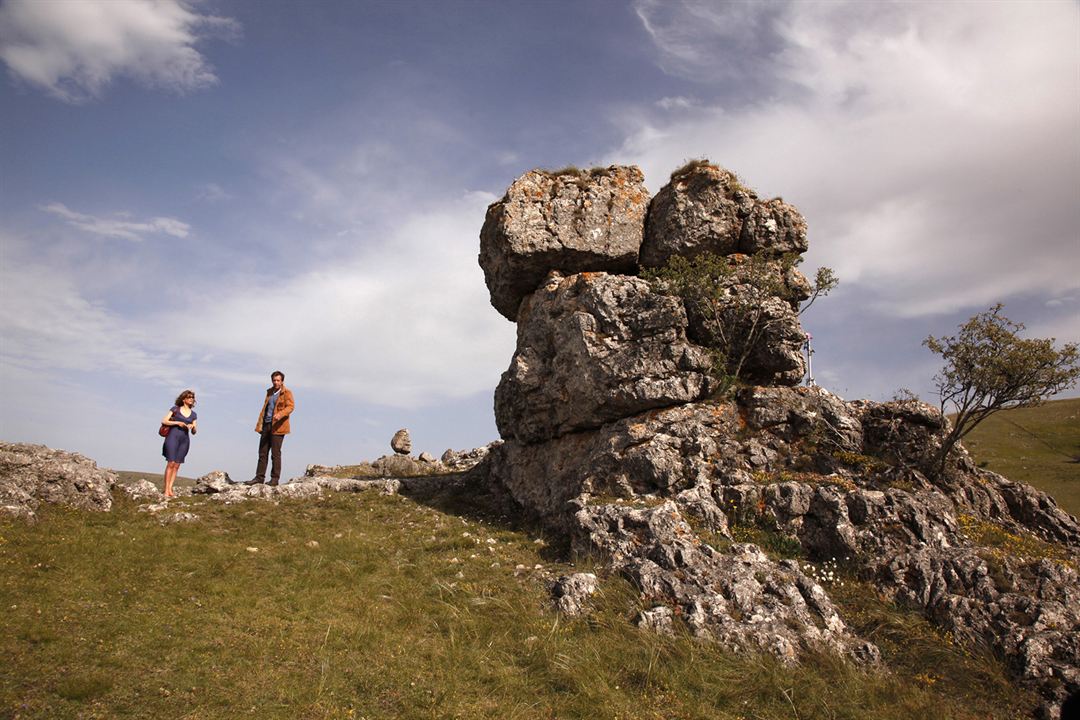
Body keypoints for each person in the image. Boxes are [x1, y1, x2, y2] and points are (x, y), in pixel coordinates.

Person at [246, 370, 295, 486]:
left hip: (278, 427)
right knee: (262, 453)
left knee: (275, 454)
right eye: (274, 380)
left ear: (282, 381)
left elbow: (291, 407)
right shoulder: (269, 392)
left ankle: (274, 479)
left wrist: (280, 414)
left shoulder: (287, 392)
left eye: (278, 380)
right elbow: (265, 408)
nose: (276, 382)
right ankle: (259, 477)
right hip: (266, 425)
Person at [161, 390, 197, 498]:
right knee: (170, 462)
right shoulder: (175, 409)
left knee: (177, 465)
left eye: (192, 397)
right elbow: (164, 421)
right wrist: (178, 423)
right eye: (189, 397)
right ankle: (166, 490)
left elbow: (195, 432)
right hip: (172, 437)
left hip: (184, 440)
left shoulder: (194, 414)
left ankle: (170, 489)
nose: (191, 399)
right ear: (184, 399)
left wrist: (192, 427)